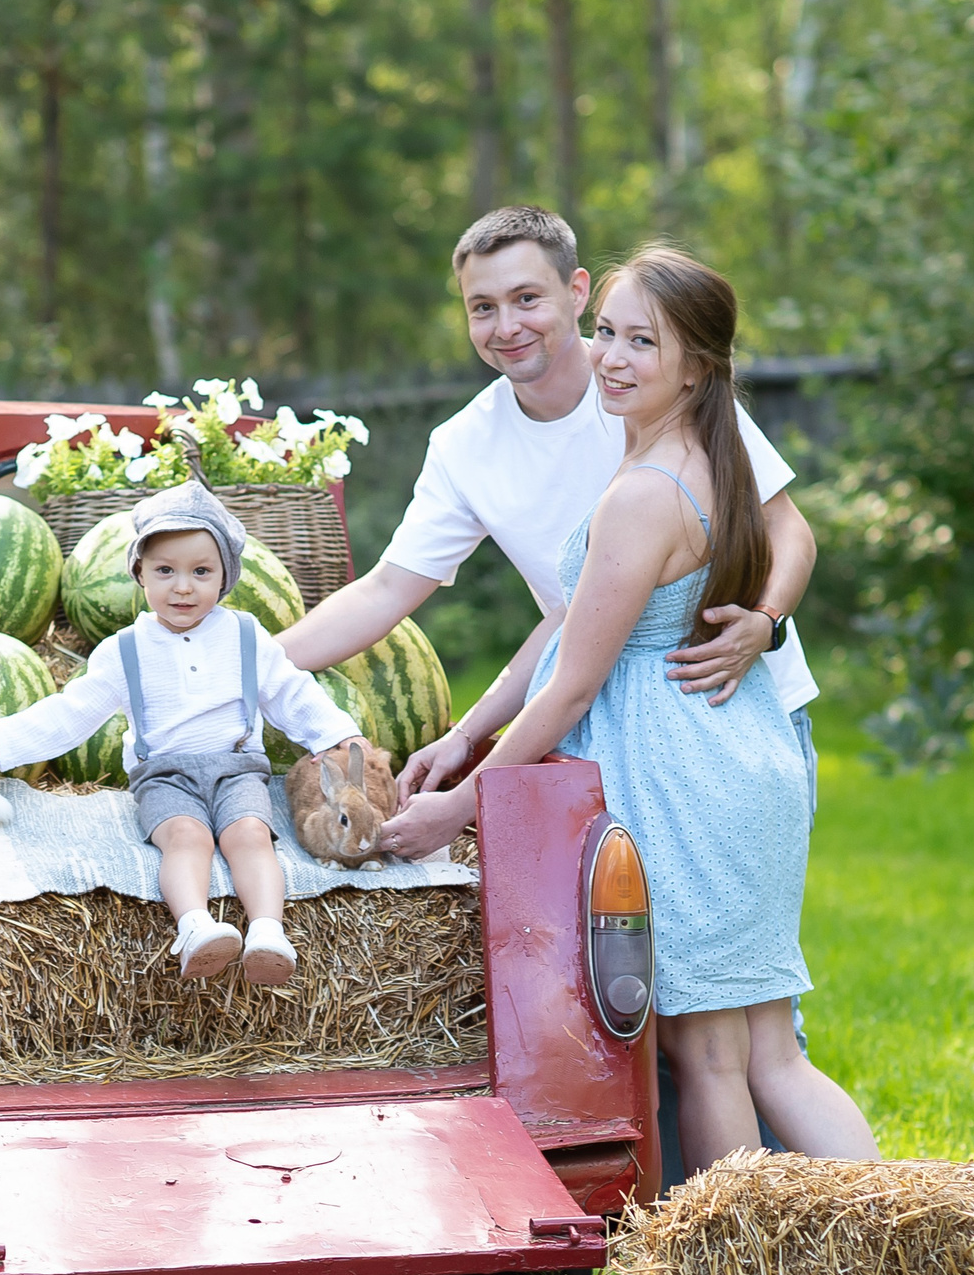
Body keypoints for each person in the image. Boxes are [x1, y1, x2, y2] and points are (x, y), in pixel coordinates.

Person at [401, 245, 877, 1168]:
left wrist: (466, 802)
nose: (612, 358)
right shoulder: (714, 452)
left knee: (708, 1056)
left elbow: (574, 680)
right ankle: (899, 1229)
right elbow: (561, 643)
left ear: (695, 365)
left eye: (641, 343)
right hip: (740, 749)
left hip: (682, 775)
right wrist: (467, 733)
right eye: (607, 333)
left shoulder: (642, 495)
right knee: (771, 1053)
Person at [276, 204, 822, 863]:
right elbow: (387, 590)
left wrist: (766, 618)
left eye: (527, 298)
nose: (506, 326)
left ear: (578, 291)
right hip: (606, 735)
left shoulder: (657, 378)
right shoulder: (466, 445)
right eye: (482, 306)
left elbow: (787, 527)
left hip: (726, 704)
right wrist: (245, 664)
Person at [0, 481, 369, 987]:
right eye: (165, 571)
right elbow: (71, 713)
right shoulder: (125, 649)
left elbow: (292, 693)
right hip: (165, 773)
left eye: (201, 572)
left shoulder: (246, 636)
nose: (183, 587)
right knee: (188, 837)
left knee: (250, 835)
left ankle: (269, 932)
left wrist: (337, 735)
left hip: (237, 766)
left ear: (226, 577)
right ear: (139, 573)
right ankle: (195, 928)